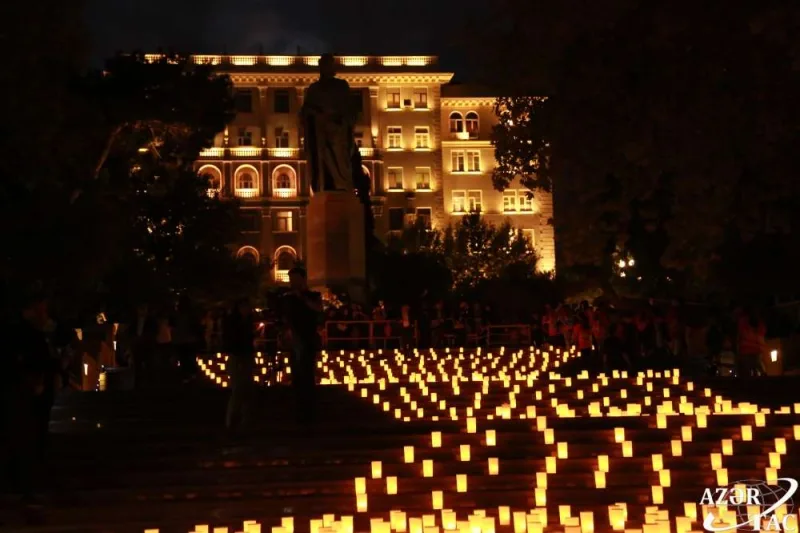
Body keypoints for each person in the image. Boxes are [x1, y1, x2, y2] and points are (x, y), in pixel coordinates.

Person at [1, 294, 52, 517]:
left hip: (21, 395)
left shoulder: (25, 334)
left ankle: (22, 485)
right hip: (18, 395)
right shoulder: (23, 335)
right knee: (20, 441)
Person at [280, 267, 323, 426]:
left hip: (307, 340)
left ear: (303, 279)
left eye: (295, 279)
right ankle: (299, 413)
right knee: (297, 377)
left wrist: (302, 298)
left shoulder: (312, 296)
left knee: (307, 375)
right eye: (291, 280)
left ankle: (309, 413)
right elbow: (284, 318)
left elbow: (318, 309)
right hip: (294, 341)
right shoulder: (288, 298)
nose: (293, 283)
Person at [223, 299, 257, 433]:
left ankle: (243, 422)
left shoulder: (247, 322)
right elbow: (232, 340)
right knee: (238, 390)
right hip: (238, 357)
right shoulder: (234, 323)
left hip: (245, 356)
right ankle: (232, 422)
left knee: (246, 390)